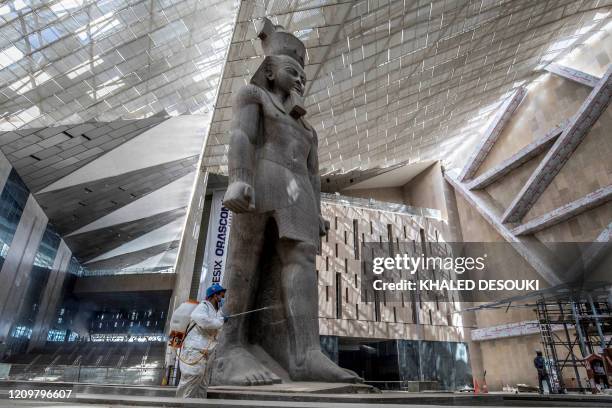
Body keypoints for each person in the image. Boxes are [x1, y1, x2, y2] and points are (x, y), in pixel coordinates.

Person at [176, 284, 227, 398]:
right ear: (214, 295)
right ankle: (181, 404)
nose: (222, 299)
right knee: (192, 376)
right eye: (221, 296)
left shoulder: (215, 311)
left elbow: (215, 330)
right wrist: (221, 321)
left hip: (206, 351)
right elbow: (204, 322)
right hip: (194, 350)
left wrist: (221, 319)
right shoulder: (203, 306)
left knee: (203, 382)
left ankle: (198, 404)